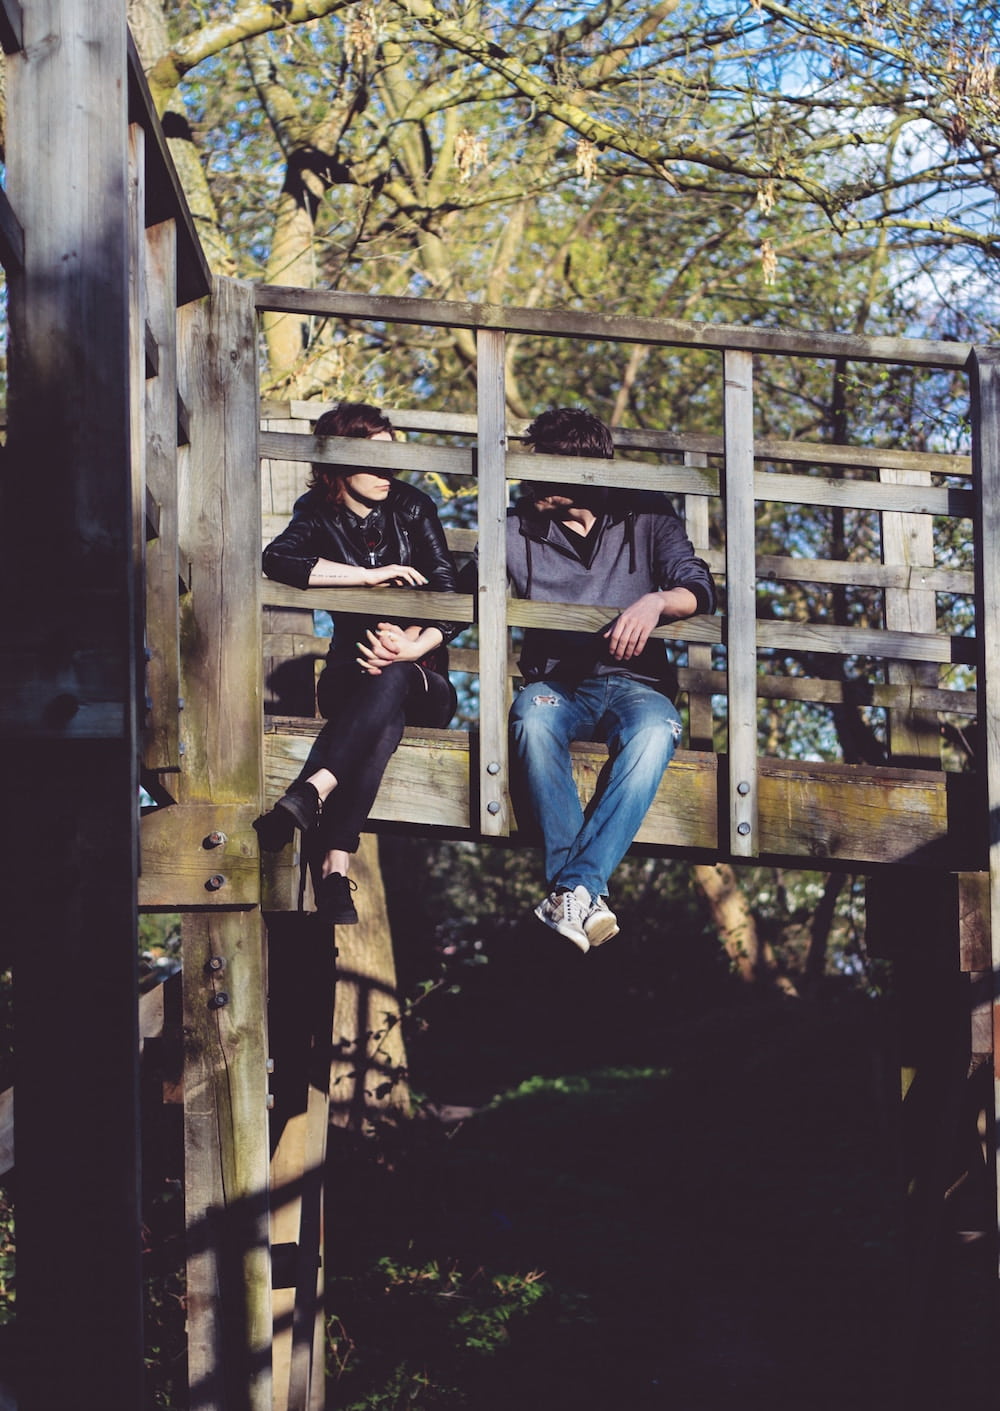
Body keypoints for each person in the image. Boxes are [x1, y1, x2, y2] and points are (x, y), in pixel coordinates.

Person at [506, 406, 715, 952]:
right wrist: (414, 637)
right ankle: (582, 893)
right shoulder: (517, 524)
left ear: (580, 469)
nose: (529, 475)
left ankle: (568, 891)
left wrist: (655, 602)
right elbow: (462, 588)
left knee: (656, 732)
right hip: (556, 686)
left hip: (636, 685)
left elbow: (698, 586)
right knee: (531, 717)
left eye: (543, 463)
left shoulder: (647, 513)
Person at [254, 401, 459, 923]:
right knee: (380, 718)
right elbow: (278, 559)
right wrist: (364, 576)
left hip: (425, 676)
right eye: (373, 460)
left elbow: (450, 590)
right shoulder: (317, 509)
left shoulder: (413, 505)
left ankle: (314, 791)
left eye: (393, 459)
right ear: (339, 465)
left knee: (392, 681)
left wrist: (414, 644)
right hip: (351, 674)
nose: (388, 473)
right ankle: (334, 876)